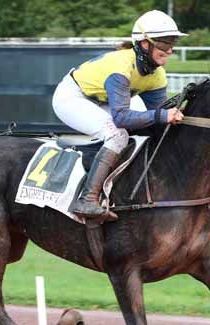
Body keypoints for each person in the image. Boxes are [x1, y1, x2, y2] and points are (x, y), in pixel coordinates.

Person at [52, 10, 187, 221]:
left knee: (146, 125)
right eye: (164, 42)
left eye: (173, 42)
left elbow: (156, 118)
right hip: (73, 97)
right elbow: (122, 118)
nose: (169, 50)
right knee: (118, 134)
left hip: (104, 100)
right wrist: (163, 116)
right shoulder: (121, 66)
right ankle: (87, 200)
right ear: (144, 44)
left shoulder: (157, 74)